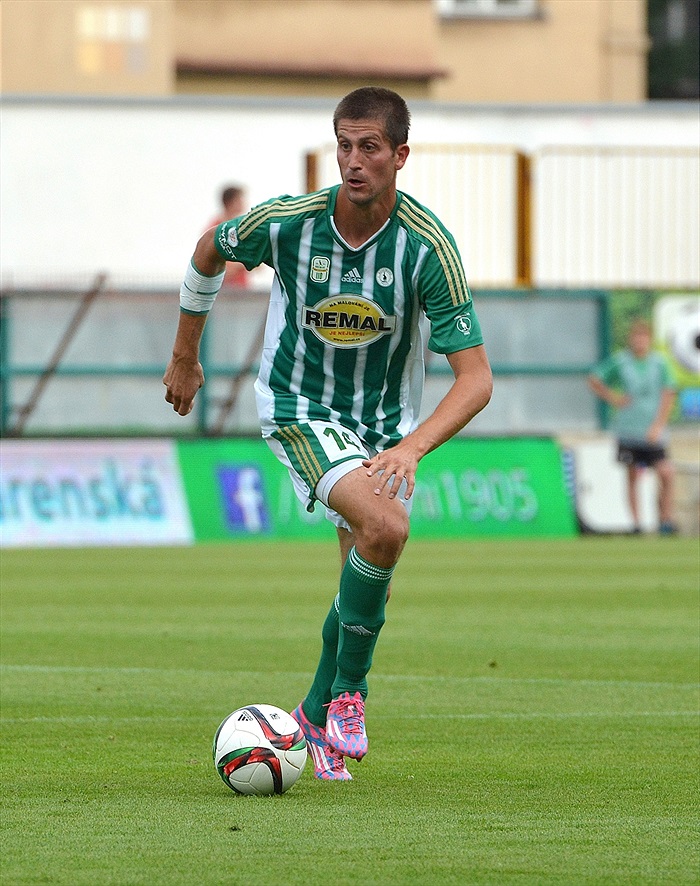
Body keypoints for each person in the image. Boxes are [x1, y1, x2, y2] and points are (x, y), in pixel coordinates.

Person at [164, 87, 492, 780]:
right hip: (298, 407)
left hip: (382, 428)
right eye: (343, 145)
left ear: (401, 155)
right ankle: (348, 695)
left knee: (368, 578)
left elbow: (475, 380)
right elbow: (206, 251)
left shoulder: (426, 247)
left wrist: (409, 447)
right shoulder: (290, 224)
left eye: (369, 147)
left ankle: (313, 711)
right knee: (388, 529)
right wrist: (184, 355)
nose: (353, 161)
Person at [588, 318, 677, 535]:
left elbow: (669, 393)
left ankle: (665, 519)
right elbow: (595, 379)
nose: (640, 343)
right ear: (631, 340)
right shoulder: (621, 361)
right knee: (632, 476)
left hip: (652, 432)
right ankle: (636, 524)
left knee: (666, 473)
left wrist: (658, 424)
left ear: (650, 340)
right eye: (636, 338)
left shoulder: (659, 363)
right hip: (629, 429)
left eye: (644, 338)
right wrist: (614, 398)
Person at [205, 185, 249, 288]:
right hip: (221, 290)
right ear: (231, 202)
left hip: (242, 289)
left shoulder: (242, 228)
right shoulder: (215, 229)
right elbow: (217, 268)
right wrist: (243, 263)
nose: (244, 203)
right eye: (240, 199)